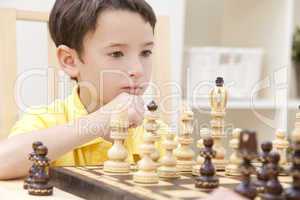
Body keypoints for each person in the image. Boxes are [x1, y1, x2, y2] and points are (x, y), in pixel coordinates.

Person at [0, 0, 166, 179]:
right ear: (69, 61)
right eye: (116, 54)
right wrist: (100, 120)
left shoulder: (155, 133)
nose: (138, 70)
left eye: (146, 52)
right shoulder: (45, 121)